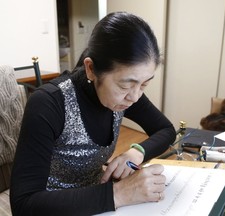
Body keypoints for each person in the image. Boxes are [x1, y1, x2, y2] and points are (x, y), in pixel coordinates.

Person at [10, 12, 176, 216]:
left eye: (145, 84)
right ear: (90, 69)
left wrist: (135, 153)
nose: (134, 97)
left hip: (97, 200)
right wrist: (119, 194)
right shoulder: (48, 104)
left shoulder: (127, 93)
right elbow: (24, 204)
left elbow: (166, 129)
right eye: (126, 85)